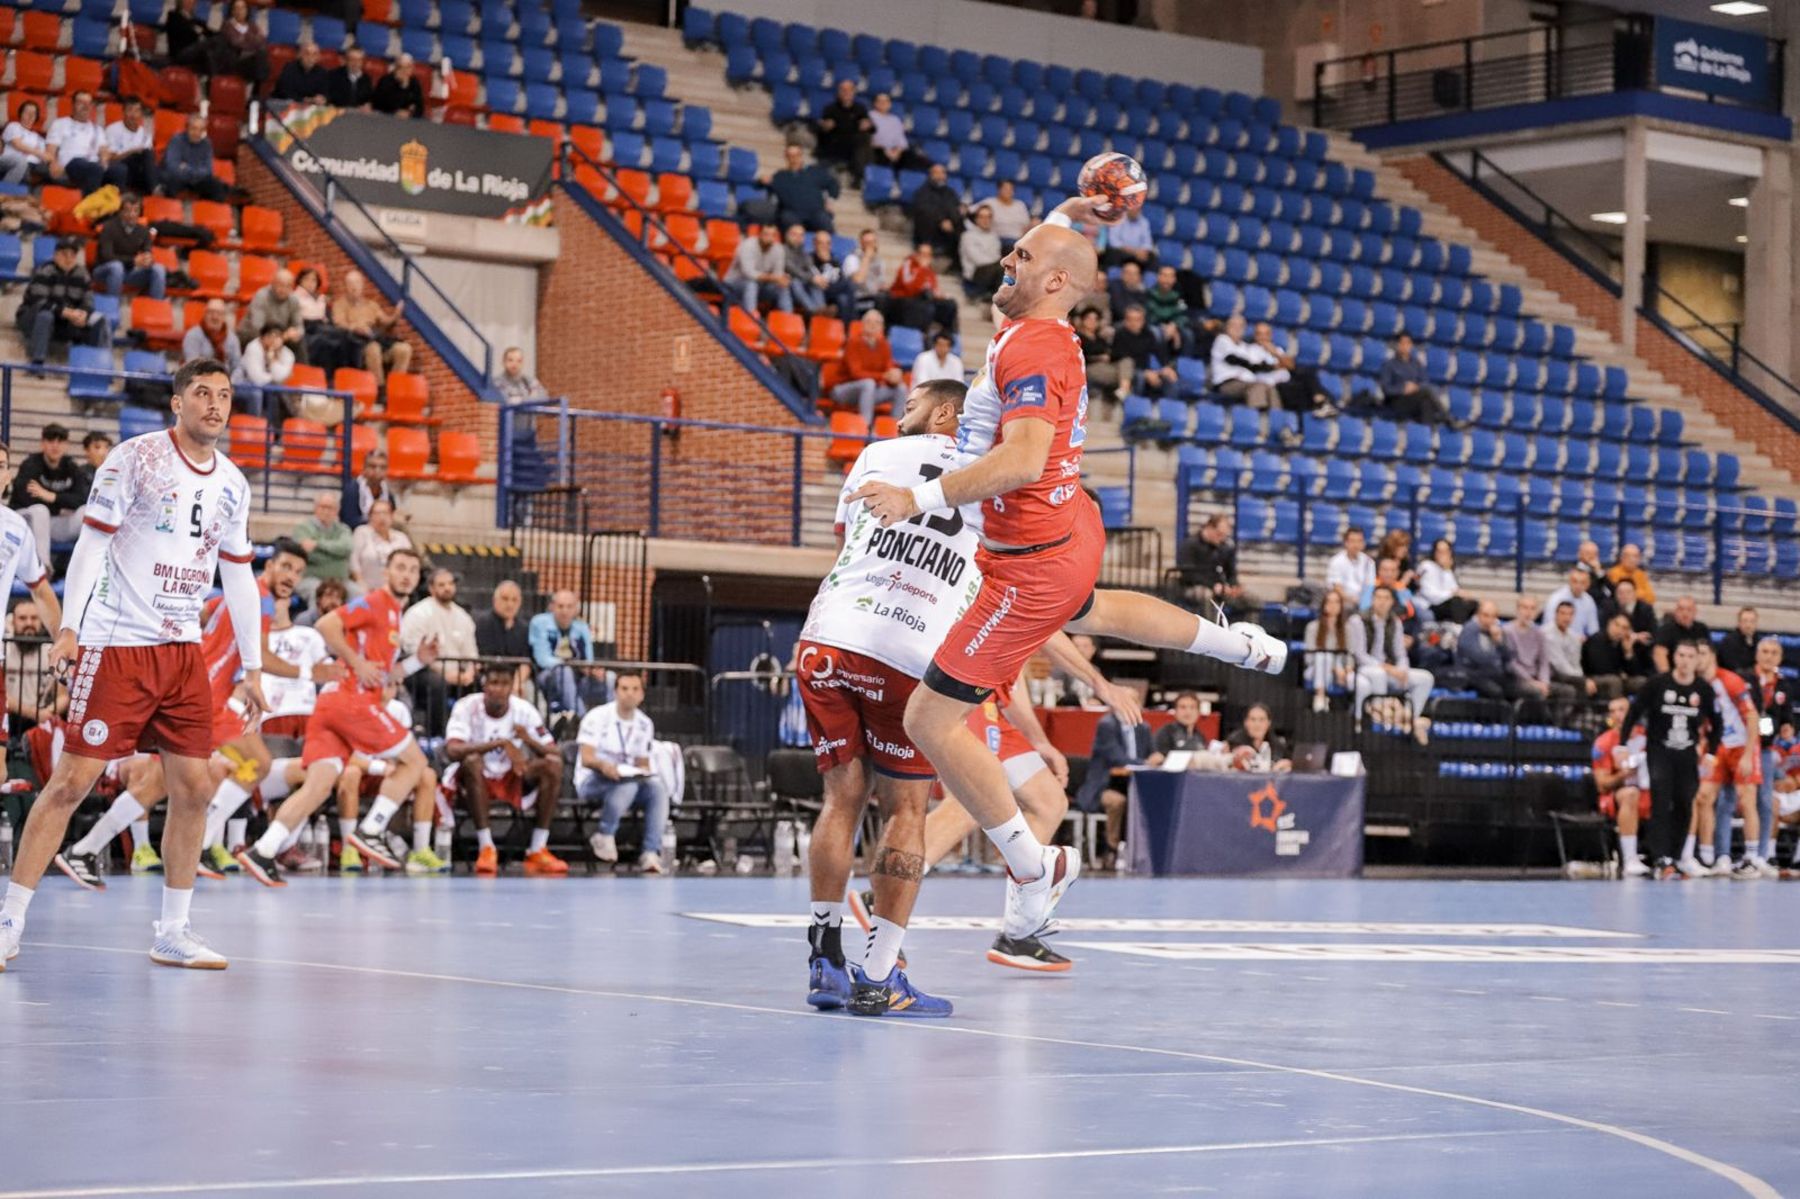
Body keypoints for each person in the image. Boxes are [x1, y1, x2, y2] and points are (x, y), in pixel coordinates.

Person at [848, 195, 1285, 969]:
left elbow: (1017, 461)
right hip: (1067, 526)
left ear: (1053, 282)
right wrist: (1075, 209)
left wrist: (913, 498)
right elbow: (1056, 257)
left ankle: (1029, 864)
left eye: (1021, 258)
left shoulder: (1037, 348)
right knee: (1100, 608)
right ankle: (1237, 643)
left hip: (1025, 564)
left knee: (927, 720)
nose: (1005, 262)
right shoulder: (1039, 316)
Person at [799, 381, 1129, 1012]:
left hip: (829, 638)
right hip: (911, 658)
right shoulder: (1002, 491)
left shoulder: (873, 456)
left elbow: (847, 545)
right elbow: (1031, 599)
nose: (899, 413)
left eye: (914, 403)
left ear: (949, 410)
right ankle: (877, 976)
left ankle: (824, 959)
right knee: (908, 813)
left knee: (841, 799)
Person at [1, 358, 264, 972]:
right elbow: (92, 541)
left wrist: (252, 666)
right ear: (177, 403)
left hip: (181, 652)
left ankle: (172, 929)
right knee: (70, 784)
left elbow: (239, 574)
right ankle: (10, 919)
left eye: (224, 395)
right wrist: (69, 628)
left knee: (195, 787)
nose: (215, 405)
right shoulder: (135, 457)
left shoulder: (233, 482)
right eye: (202, 393)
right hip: (118, 644)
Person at [59, 540, 317, 888]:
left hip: (213, 695)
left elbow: (209, 613)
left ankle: (201, 842)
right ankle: (87, 848)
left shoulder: (236, 598)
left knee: (253, 762)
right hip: (200, 693)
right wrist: (310, 673)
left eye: (298, 572)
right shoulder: (260, 599)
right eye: (285, 566)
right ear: (268, 567)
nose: (291, 576)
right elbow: (262, 656)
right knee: (164, 781)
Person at [237, 547, 442, 883]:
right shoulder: (376, 601)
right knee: (416, 761)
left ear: (418, 578)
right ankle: (372, 830)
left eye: (413, 570)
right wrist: (355, 662)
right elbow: (327, 623)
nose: (406, 574)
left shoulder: (394, 616)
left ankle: (264, 850)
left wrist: (419, 660)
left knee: (318, 785)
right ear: (386, 573)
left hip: (334, 706)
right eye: (400, 567)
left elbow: (384, 674)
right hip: (352, 702)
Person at [444, 665, 566, 876]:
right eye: (493, 683)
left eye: (504, 684)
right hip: (474, 777)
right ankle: (486, 847)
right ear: (484, 686)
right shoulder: (467, 706)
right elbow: (453, 750)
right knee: (472, 761)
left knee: (553, 766)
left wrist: (527, 739)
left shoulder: (524, 709)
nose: (498, 689)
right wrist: (500, 743)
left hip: (511, 773)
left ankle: (537, 849)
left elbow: (554, 752)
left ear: (512, 687)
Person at [1622, 640, 1718, 878]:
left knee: (1686, 802)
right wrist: (1622, 744)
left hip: (1688, 755)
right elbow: (1634, 712)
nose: (1685, 660)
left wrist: (1711, 752)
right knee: (1661, 802)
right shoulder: (1658, 684)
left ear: (1697, 660)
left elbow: (1718, 723)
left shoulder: (1703, 689)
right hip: (1660, 752)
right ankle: (1661, 857)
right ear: (1674, 657)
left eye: (1690, 656)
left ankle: (1677, 856)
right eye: (1681, 655)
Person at [575, 670, 668, 873]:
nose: (630, 694)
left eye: (635, 689)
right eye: (624, 688)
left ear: (642, 695)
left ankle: (650, 852)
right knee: (628, 784)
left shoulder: (645, 724)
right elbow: (587, 758)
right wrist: (605, 767)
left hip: (628, 782)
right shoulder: (597, 717)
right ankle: (604, 834)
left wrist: (641, 772)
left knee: (656, 789)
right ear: (615, 692)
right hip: (594, 780)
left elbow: (642, 763)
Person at [1692, 641, 1766, 879]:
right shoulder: (1698, 685)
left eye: (1702, 654)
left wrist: (1748, 753)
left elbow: (1752, 716)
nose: (1697, 659)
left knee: (1747, 799)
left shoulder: (1730, 681)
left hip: (1741, 745)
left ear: (1712, 656)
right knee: (1703, 797)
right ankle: (1708, 857)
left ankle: (1752, 858)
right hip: (1717, 747)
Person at [399, 566, 478, 731]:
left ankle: (472, 733)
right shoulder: (418, 613)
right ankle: (438, 733)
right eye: (441, 585)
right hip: (423, 670)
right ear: (431, 588)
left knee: (480, 683)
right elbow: (413, 652)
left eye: (450, 584)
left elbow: (471, 654)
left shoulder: (463, 616)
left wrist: (469, 673)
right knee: (436, 684)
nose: (447, 588)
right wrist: (445, 674)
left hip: (457, 672)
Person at [18, 237, 112, 370]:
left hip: (66, 320)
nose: (68, 259)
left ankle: (99, 367)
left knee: (100, 320)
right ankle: (37, 363)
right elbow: (39, 302)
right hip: (33, 319)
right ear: (55, 255)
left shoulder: (82, 274)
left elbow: (88, 300)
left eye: (72, 255)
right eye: (64, 254)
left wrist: (83, 313)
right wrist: (66, 312)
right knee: (45, 315)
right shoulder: (45, 271)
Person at [1351, 585, 1433, 731]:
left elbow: (1400, 653)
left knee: (1426, 678)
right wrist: (1388, 668)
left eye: (1386, 598)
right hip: (1366, 668)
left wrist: (1402, 670)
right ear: (1372, 600)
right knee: (1379, 674)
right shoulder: (1358, 620)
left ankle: (1408, 718)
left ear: (1392, 602)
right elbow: (1360, 655)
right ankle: (1382, 720)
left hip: (1390, 670)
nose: (1381, 602)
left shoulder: (1395, 622)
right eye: (1378, 598)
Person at [10, 423, 89, 576]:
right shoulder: (31, 464)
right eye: (50, 441)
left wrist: (51, 496)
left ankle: (85, 572)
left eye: (60, 441)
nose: (55, 445)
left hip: (52, 524)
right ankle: (43, 568)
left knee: (86, 512)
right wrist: (60, 506)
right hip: (26, 522)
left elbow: (81, 499)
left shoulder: (71, 467)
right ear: (42, 443)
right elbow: (24, 498)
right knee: (40, 511)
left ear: (67, 445)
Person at [1591, 695, 1651, 877]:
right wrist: (1624, 774)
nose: (1617, 715)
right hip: (1617, 796)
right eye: (1612, 711)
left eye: (1621, 710)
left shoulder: (1648, 737)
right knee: (1630, 794)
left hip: (1651, 791)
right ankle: (1630, 858)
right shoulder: (1603, 743)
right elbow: (1602, 785)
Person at [529, 589, 608, 717]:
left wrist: (592, 670)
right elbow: (543, 659)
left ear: (575, 609)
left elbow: (588, 659)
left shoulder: (582, 627)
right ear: (552, 607)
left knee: (609, 678)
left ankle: (610, 722)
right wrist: (574, 666)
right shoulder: (539, 623)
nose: (564, 611)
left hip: (577, 679)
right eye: (560, 606)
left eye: (569, 606)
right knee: (564, 671)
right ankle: (581, 719)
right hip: (548, 677)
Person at [331, 270, 412, 384]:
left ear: (362, 285)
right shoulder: (339, 304)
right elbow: (339, 323)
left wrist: (396, 315)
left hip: (375, 338)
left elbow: (386, 322)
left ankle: (394, 386)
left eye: (357, 283)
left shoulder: (371, 305)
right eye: (351, 284)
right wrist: (355, 327)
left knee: (404, 349)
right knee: (374, 348)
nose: (354, 287)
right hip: (356, 343)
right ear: (346, 286)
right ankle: (379, 388)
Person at [830, 309, 905, 427]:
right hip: (843, 390)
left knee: (900, 388)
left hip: (870, 391)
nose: (873, 325)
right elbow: (856, 373)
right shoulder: (853, 342)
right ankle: (865, 427)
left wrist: (894, 375)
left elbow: (888, 368)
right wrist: (884, 376)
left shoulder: (884, 344)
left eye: (877, 323)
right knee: (868, 383)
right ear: (863, 325)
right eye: (869, 322)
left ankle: (894, 429)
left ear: (882, 327)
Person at [91, 194, 164, 303]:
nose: (132, 215)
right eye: (128, 211)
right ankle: (112, 308)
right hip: (104, 270)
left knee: (158, 269)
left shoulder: (143, 231)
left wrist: (147, 259)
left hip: (129, 273)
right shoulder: (108, 227)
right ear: (120, 212)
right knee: (117, 267)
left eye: (135, 211)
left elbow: (147, 250)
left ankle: (155, 308)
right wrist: (133, 260)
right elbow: (107, 256)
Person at [1177, 513, 1246, 617]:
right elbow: (1188, 574)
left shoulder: (1225, 547)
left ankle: (1244, 630)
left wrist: (1233, 585)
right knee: (1206, 595)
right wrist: (1212, 586)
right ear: (1209, 528)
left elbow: (1231, 572)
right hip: (1193, 587)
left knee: (1251, 599)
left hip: (1219, 587)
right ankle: (1212, 630)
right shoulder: (1190, 544)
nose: (1222, 538)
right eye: (1219, 534)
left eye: (1224, 535)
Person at [292, 492, 355, 604]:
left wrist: (317, 544)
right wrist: (336, 556)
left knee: (360, 595)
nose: (326, 511)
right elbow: (308, 556)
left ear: (337, 511)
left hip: (341, 581)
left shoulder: (344, 529)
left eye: (330, 508)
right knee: (319, 593)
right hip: (311, 579)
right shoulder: (303, 528)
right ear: (315, 508)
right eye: (323, 507)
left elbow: (346, 548)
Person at [886, 243, 958, 337]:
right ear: (916, 254)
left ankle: (949, 336)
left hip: (924, 301)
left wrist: (939, 295)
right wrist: (921, 269)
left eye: (928, 255)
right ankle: (922, 337)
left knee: (950, 305)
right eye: (922, 254)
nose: (925, 257)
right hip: (905, 299)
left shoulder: (929, 270)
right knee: (926, 307)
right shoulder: (908, 265)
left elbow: (933, 288)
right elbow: (910, 288)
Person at [763, 143, 838, 233]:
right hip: (792, 214)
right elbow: (763, 185)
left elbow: (833, 184)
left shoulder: (814, 171)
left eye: (796, 155)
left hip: (816, 213)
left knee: (825, 222)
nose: (794, 158)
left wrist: (830, 200)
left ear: (801, 156)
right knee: (787, 220)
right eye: (790, 156)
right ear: (786, 157)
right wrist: (761, 181)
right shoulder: (780, 176)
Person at [45, 91, 109, 195]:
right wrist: (53, 163)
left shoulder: (97, 129)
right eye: (81, 103)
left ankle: (116, 208)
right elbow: (51, 149)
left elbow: (103, 150)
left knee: (120, 170)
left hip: (93, 165)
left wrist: (104, 160)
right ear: (73, 105)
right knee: (94, 169)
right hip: (70, 165)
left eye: (89, 103)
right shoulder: (60, 123)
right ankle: (89, 207)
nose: (85, 106)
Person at [1209, 313, 1276, 409]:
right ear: (1227, 327)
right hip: (1227, 383)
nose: (1237, 328)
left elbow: (1259, 366)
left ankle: (1276, 418)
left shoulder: (1245, 347)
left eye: (1240, 326)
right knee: (1258, 386)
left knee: (1271, 388)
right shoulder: (1222, 340)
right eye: (1234, 325)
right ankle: (1256, 417)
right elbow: (1232, 359)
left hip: (1245, 383)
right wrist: (1252, 365)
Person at [1108, 305, 1179, 396]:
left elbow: (1159, 353)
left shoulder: (1148, 334)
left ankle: (1170, 407)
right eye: (1130, 319)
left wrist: (1165, 368)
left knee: (1170, 376)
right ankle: (1135, 405)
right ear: (1125, 320)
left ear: (1143, 321)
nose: (1133, 323)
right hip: (1126, 373)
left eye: (1137, 320)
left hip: (1147, 369)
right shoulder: (1120, 335)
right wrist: (1145, 373)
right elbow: (1121, 360)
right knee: (1140, 377)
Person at [1304, 587, 1354, 712]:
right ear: (1324, 605)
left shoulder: (1347, 629)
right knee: (1322, 656)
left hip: (1341, 671)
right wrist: (1334, 668)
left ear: (1341, 606)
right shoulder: (1312, 627)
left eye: (1336, 602)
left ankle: (1358, 711)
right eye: (1329, 601)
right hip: (1315, 670)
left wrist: (1347, 669)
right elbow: (1309, 658)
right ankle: (1320, 696)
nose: (1333, 605)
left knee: (1357, 681)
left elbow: (1350, 655)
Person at [1456, 600, 1517, 703]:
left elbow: (1510, 656)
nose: (1489, 620)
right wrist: (1497, 659)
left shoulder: (1497, 631)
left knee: (1517, 689)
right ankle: (1496, 718)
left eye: (1493, 616)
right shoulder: (1470, 629)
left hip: (1493, 674)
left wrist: (1499, 642)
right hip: (1471, 674)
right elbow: (1478, 658)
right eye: (1485, 615)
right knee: (1495, 691)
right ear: (1478, 615)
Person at [238, 269, 306, 360]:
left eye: (288, 286)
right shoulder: (261, 296)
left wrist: (295, 333)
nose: (283, 289)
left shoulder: (294, 300)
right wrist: (278, 337)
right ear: (273, 284)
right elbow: (257, 327)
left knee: (298, 342)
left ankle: (303, 372)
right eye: (280, 285)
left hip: (280, 336)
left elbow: (300, 327)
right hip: (253, 335)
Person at [1376, 332, 1443, 423]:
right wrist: (1403, 389)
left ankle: (1425, 432)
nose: (1405, 346)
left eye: (1408, 343)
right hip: (1397, 401)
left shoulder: (1416, 363)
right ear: (1397, 345)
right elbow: (1386, 389)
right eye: (1402, 343)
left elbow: (1425, 381)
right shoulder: (1389, 365)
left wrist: (1415, 387)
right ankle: (1447, 418)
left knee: (1426, 403)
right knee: (1427, 393)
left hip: (1415, 399)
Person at [161, 112, 229, 202]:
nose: (197, 133)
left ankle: (207, 213)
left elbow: (208, 171)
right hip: (178, 178)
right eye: (194, 128)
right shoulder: (177, 140)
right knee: (170, 182)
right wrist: (196, 171)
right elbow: (172, 167)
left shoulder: (207, 144)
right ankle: (171, 213)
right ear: (187, 128)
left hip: (196, 180)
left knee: (216, 186)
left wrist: (187, 169)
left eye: (201, 130)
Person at [724, 223, 790, 314]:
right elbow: (749, 273)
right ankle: (751, 317)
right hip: (735, 283)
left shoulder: (779, 249)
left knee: (782, 286)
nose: (769, 238)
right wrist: (774, 278)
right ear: (759, 234)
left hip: (761, 285)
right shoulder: (748, 245)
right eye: (766, 234)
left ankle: (787, 319)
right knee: (751, 284)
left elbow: (778, 274)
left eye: (773, 235)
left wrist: (781, 279)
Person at [233, 322, 294, 420]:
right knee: (257, 393)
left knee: (274, 394)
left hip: (267, 388)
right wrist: (274, 380)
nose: (274, 340)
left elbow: (280, 377)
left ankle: (272, 431)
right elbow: (256, 378)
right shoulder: (253, 347)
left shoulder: (288, 354)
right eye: (270, 336)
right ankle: (255, 428)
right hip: (241, 384)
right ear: (262, 337)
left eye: (278, 336)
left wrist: (272, 361)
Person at [1583, 612, 1649, 701]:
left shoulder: (1622, 643)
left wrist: (1628, 652)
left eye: (1624, 628)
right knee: (1614, 681)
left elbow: (1635, 673)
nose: (1619, 630)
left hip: (1617, 678)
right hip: (1593, 679)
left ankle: (1639, 713)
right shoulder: (1597, 640)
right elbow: (1600, 669)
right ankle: (1617, 712)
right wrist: (1620, 674)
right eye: (1616, 625)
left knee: (1641, 681)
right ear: (1609, 623)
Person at [349, 499, 412, 593]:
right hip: (366, 589)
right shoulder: (362, 532)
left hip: (394, 590)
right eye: (377, 513)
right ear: (370, 517)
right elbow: (353, 560)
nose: (382, 517)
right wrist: (360, 582)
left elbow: (410, 563)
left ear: (392, 516)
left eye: (385, 513)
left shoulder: (401, 538)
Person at [1541, 598, 1592, 710]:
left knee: (1588, 682)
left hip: (1568, 675)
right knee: (1579, 684)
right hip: (1551, 673)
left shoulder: (1574, 636)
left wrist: (1581, 677)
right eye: (1563, 613)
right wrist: (1582, 680)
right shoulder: (1546, 634)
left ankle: (1581, 715)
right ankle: (1568, 720)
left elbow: (1576, 662)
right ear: (1556, 614)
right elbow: (1559, 664)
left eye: (1570, 614)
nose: (1566, 617)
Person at [473, 580, 531, 679]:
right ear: (495, 600)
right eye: (505, 599)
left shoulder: (524, 628)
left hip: (515, 679)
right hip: (488, 677)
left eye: (514, 600)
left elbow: (525, 663)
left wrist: (517, 683)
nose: (510, 604)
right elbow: (484, 661)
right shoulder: (482, 623)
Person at [102, 97, 158, 196]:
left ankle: (154, 191)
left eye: (137, 111)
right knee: (123, 167)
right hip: (118, 167)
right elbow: (110, 159)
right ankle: (153, 189)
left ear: (141, 114)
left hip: (136, 172)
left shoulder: (145, 134)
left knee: (149, 155)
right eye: (130, 110)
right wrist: (132, 152)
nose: (133, 115)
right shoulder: (112, 129)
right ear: (123, 112)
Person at [813, 79, 871, 175]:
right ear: (838, 92)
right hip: (833, 146)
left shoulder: (861, 109)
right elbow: (822, 129)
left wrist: (867, 125)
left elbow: (870, 128)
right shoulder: (830, 108)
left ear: (854, 92)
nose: (846, 93)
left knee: (864, 140)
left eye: (849, 90)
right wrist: (825, 126)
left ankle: (858, 176)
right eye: (843, 90)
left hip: (853, 148)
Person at [341, 447, 406, 529]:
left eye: (382, 467)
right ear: (364, 469)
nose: (377, 471)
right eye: (373, 466)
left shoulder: (388, 493)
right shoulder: (352, 489)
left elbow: (391, 516)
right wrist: (377, 519)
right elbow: (348, 522)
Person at [909, 162, 962, 258]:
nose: (940, 176)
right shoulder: (923, 191)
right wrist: (941, 220)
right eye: (937, 173)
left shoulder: (950, 193)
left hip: (949, 228)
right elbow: (923, 208)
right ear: (931, 175)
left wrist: (951, 219)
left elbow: (955, 208)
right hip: (930, 230)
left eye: (943, 173)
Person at [1415, 538, 1475, 624]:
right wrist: (1453, 593)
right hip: (1430, 605)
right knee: (1456, 602)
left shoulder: (1446, 570)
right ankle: (1458, 629)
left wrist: (1447, 570)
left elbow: (1454, 588)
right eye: (1439, 551)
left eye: (1446, 551)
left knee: (1472, 604)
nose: (1443, 555)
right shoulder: (1426, 566)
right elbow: (1431, 595)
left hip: (1445, 602)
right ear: (1434, 552)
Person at [1146, 692, 1210, 767]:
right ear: (1175, 711)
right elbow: (1156, 760)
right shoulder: (1165, 733)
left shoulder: (1200, 735)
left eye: (1192, 707)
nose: (1188, 712)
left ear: (1198, 712)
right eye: (1183, 707)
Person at [215, 0, 269, 88]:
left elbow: (262, 42)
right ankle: (256, 90)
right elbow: (236, 42)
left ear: (247, 10)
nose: (240, 11)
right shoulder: (228, 25)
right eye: (237, 8)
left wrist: (246, 39)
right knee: (259, 57)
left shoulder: (252, 26)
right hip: (236, 61)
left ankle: (257, 90)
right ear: (232, 11)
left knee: (262, 54)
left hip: (251, 60)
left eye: (243, 8)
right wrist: (252, 40)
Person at [1652, 595, 1710, 674]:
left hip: (1697, 674)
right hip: (1672, 674)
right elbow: (1659, 654)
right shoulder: (1666, 630)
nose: (1685, 613)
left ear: (1695, 612)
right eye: (1681, 609)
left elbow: (1709, 655)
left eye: (1689, 610)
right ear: (1675, 611)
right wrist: (1668, 679)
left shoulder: (1702, 629)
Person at [1226, 703, 1291, 772]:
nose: (1257, 724)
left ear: (1269, 723)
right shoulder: (1233, 743)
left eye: (1262, 720)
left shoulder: (1277, 745)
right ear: (1246, 722)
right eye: (1253, 719)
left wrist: (1286, 764)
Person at [1541, 567, 1600, 640]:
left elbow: (1593, 630)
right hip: (1556, 640)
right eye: (1575, 581)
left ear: (1588, 584)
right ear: (1569, 582)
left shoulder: (1589, 601)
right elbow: (1549, 628)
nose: (1578, 586)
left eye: (1583, 582)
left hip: (1580, 643)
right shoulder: (1555, 599)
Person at [959, 206, 1005, 301]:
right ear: (976, 219)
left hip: (993, 270)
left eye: (988, 217)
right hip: (976, 273)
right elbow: (978, 260)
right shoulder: (968, 236)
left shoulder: (993, 235)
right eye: (982, 217)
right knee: (1002, 267)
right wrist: (997, 261)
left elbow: (996, 255)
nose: (986, 220)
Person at [778, 223, 825, 314]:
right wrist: (811, 278)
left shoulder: (804, 252)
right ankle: (814, 311)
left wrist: (817, 278)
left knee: (816, 282)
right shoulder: (782, 250)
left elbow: (810, 267)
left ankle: (822, 309)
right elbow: (791, 269)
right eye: (794, 234)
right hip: (787, 284)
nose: (798, 238)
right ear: (787, 235)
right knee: (796, 282)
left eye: (801, 235)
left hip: (803, 282)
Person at [840, 229, 888, 318]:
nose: (871, 246)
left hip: (876, 297)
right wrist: (866, 257)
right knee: (881, 300)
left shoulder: (879, 261)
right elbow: (858, 281)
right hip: (858, 299)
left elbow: (881, 283)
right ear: (861, 244)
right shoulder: (852, 258)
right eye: (867, 243)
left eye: (873, 242)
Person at [1, 99, 49, 186]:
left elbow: (46, 157)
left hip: (35, 166)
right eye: (27, 112)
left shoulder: (38, 137)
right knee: (22, 164)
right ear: (21, 114)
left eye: (34, 113)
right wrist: (38, 152)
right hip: (12, 162)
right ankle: (4, 193)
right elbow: (18, 144)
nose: (30, 116)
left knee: (57, 174)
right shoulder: (14, 126)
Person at [865, 92, 918, 173]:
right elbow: (868, 137)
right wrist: (886, 151)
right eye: (880, 101)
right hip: (878, 150)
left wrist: (897, 151)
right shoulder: (869, 116)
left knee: (911, 156)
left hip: (895, 150)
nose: (883, 104)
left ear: (890, 104)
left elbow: (901, 140)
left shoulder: (895, 120)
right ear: (875, 103)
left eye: (886, 101)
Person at [1326, 527, 1375, 608]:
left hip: (1363, 603)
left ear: (1363, 543)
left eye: (1359, 541)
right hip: (1343, 602)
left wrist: (1363, 602)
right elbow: (1337, 588)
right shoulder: (1336, 561)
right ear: (1346, 543)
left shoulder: (1369, 562)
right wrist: (1354, 601)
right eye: (1352, 541)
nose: (1356, 545)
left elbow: (1369, 586)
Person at [1607, 577, 1656, 649]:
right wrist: (1633, 636)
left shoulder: (1646, 609)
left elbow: (1652, 634)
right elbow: (1605, 630)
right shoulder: (1609, 607)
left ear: (1635, 593)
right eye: (1620, 592)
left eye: (1628, 592)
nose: (1624, 595)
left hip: (1639, 649)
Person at [372, 54, 426, 118]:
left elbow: (420, 107)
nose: (406, 71)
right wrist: (402, 86)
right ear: (396, 68)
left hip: (408, 119)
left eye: (409, 67)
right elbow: (381, 104)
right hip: (386, 117)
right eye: (403, 67)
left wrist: (410, 113)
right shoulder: (386, 81)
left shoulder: (414, 83)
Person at [986, 178, 1031, 250]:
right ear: (999, 190)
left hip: (1018, 240)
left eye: (1011, 189)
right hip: (997, 239)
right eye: (1005, 189)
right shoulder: (990, 203)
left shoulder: (1020, 205)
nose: (1008, 191)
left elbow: (1026, 225)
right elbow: (972, 212)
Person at [327, 44, 376, 109]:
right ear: (346, 60)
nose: (355, 63)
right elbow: (327, 98)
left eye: (359, 60)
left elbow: (369, 100)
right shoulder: (333, 75)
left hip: (358, 116)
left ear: (363, 61)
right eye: (352, 59)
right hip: (338, 113)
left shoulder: (367, 79)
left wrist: (368, 105)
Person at [1717, 607, 1759, 675]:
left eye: (1752, 621)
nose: (1748, 625)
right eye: (1745, 621)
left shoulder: (1760, 642)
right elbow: (1732, 667)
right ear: (1739, 622)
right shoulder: (1728, 641)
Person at [1574, 539, 1613, 609]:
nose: (1592, 556)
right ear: (1579, 554)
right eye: (1588, 553)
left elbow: (1612, 590)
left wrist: (1599, 572)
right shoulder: (1576, 571)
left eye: (1595, 554)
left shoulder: (1600, 571)